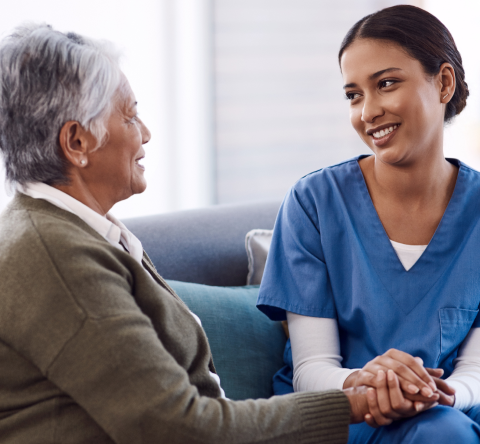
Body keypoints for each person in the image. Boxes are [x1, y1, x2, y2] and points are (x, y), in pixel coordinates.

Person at [0, 23, 408, 443]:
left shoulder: (75, 234)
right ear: (77, 142)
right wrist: (353, 403)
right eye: (129, 115)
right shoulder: (56, 257)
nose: (145, 133)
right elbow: (179, 430)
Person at [257, 4, 480, 443]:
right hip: (344, 417)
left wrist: (441, 393)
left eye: (387, 84)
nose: (368, 111)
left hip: (454, 411)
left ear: (444, 83)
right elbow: (310, 369)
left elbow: (474, 371)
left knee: (442, 430)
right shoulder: (315, 203)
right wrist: (372, 384)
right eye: (354, 95)